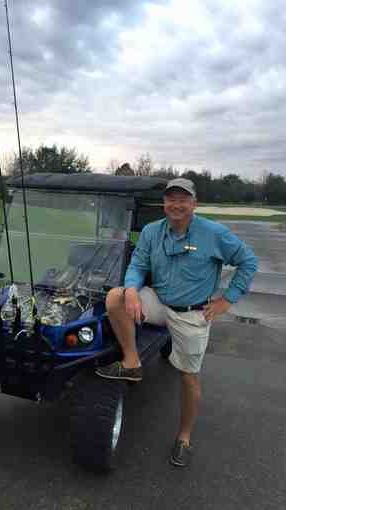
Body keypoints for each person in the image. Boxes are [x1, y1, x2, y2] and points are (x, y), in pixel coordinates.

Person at [95, 177, 258, 467]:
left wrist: (227, 300)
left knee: (188, 376)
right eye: (171, 199)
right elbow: (138, 264)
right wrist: (131, 289)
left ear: (194, 204)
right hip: (159, 302)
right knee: (115, 298)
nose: (176, 205)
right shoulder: (151, 231)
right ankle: (132, 363)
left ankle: (184, 437)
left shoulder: (214, 233)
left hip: (192, 313)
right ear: (164, 203)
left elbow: (248, 261)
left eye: (183, 199)